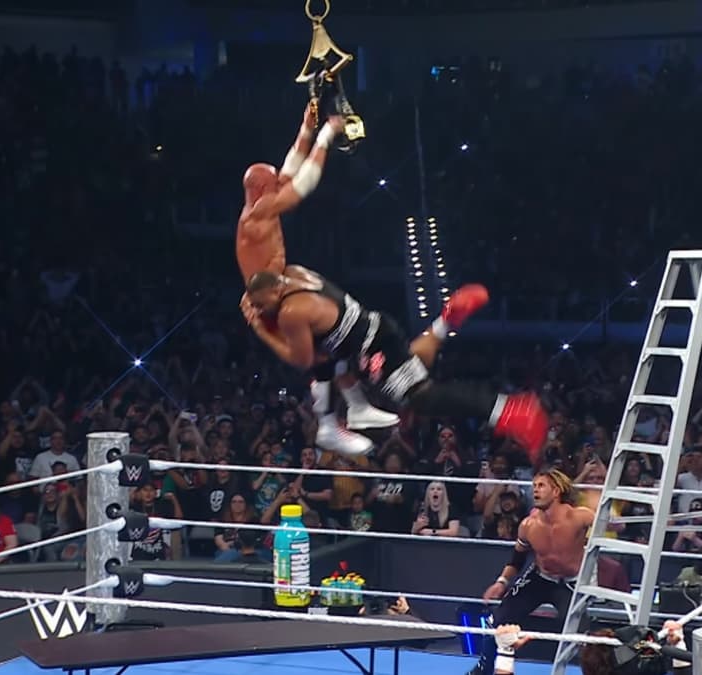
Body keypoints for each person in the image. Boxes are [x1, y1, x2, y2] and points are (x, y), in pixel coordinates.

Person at [237, 103, 398, 455]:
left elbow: (290, 169)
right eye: (273, 180)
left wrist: (307, 128)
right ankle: (327, 424)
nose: (280, 179)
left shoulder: (262, 201)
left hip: (281, 284)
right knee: (315, 357)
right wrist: (327, 135)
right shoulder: (259, 215)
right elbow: (304, 183)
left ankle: (354, 406)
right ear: (262, 189)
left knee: (334, 347)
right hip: (269, 300)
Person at [242, 270, 547, 455]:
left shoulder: (290, 312)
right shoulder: (294, 274)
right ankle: (444, 321)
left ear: (276, 290)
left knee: (419, 397)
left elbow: (302, 359)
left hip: (369, 348)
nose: (258, 310)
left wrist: (259, 330)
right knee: (410, 366)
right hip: (374, 327)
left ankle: (509, 410)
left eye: (260, 304)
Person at [468, 469, 594, 675]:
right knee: (496, 620)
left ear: (556, 491)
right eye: (534, 486)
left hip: (570, 583)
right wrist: (501, 582)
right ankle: (483, 668)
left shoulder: (579, 517)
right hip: (540, 577)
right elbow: (517, 560)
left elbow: (613, 526)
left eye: (541, 486)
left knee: (582, 634)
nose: (535, 490)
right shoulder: (528, 525)